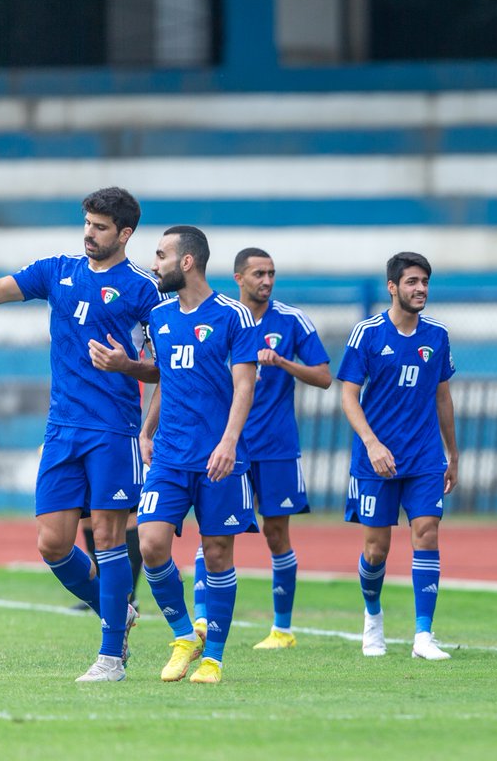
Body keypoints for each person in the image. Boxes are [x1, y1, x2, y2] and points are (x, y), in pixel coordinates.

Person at [0, 187, 162, 682]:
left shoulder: (144, 289)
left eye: (100, 227)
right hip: (62, 430)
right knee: (52, 544)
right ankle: (118, 610)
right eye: (88, 223)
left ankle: (111, 657)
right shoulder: (57, 270)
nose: (90, 233)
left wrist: (127, 367)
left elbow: (164, 369)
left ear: (125, 234)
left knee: (111, 540)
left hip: (113, 431)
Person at [190, 248, 332, 649]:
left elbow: (324, 376)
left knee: (275, 533)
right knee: (211, 531)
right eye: (258, 274)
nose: (266, 281)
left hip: (275, 445)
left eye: (271, 273)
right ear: (238, 278)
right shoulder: (219, 317)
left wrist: (284, 362)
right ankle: (202, 620)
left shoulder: (291, 319)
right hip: (225, 445)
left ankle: (282, 629)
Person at [137, 225, 261, 684]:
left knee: (217, 552)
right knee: (151, 543)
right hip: (169, 454)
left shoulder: (234, 316)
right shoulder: (159, 317)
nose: (155, 263)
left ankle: (214, 659)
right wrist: (148, 431)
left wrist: (229, 442)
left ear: (186, 261)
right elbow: (167, 381)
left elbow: (245, 385)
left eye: (161, 255)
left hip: (219, 458)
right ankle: (186, 634)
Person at [339, 252, 459, 661]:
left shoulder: (438, 335)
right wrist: (372, 443)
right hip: (376, 459)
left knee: (426, 532)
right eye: (411, 281)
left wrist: (453, 454)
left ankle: (423, 635)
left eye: (425, 281)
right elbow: (348, 395)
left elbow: (443, 396)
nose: (420, 288)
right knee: (376, 549)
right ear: (392, 287)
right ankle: (372, 616)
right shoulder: (367, 333)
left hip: (424, 455)